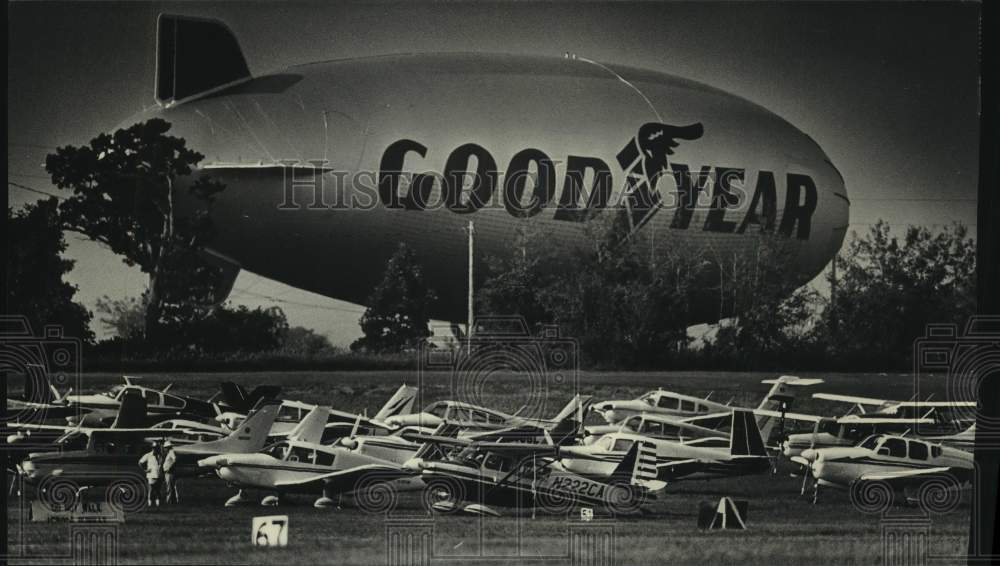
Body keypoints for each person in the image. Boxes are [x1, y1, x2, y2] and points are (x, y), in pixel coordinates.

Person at [138, 442, 163, 507]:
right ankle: (150, 504)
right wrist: (145, 470)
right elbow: (140, 462)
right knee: (151, 490)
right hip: (151, 475)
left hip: (158, 475)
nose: (155, 449)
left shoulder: (160, 456)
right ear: (152, 448)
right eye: (154, 448)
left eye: (157, 448)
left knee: (158, 490)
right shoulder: (148, 455)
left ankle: (158, 504)